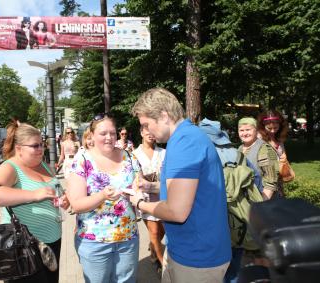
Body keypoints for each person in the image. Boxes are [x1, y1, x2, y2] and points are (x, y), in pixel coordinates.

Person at [131, 87, 231, 283]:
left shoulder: (184, 142)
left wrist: (138, 203)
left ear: (163, 116)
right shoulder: (186, 137)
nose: (147, 131)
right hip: (187, 250)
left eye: (146, 124)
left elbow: (177, 211)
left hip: (197, 257)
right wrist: (149, 187)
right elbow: (186, 189)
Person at [0, 120, 69, 283]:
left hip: (51, 242)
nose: (40, 149)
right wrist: (34, 195)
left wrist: (64, 199)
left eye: (41, 144)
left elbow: (55, 190)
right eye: (35, 146)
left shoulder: (42, 164)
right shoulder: (10, 167)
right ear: (19, 148)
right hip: (23, 247)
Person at [66, 113, 141, 283]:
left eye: (113, 133)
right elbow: (76, 204)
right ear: (91, 135)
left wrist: (140, 191)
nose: (109, 137)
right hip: (94, 241)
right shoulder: (82, 159)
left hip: (128, 238)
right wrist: (102, 195)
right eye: (103, 133)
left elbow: (139, 185)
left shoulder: (129, 157)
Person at [132, 125, 165, 273]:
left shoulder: (164, 152)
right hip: (145, 198)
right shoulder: (134, 154)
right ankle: (160, 263)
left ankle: (153, 248)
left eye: (153, 131)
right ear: (141, 132)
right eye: (147, 131)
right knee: (154, 232)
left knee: (162, 231)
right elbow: (134, 176)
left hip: (163, 195)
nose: (150, 134)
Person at [238, 117, 280, 199]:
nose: (245, 133)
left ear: (256, 131)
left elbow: (271, 181)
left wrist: (263, 203)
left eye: (248, 130)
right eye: (241, 130)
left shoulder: (264, 149)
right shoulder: (239, 148)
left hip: (261, 198)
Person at [257, 110, 290, 187]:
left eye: (275, 127)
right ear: (263, 126)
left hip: (278, 180)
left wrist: (284, 157)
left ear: (280, 125)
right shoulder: (259, 138)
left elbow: (282, 153)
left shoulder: (278, 138)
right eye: (269, 128)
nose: (272, 131)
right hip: (265, 181)